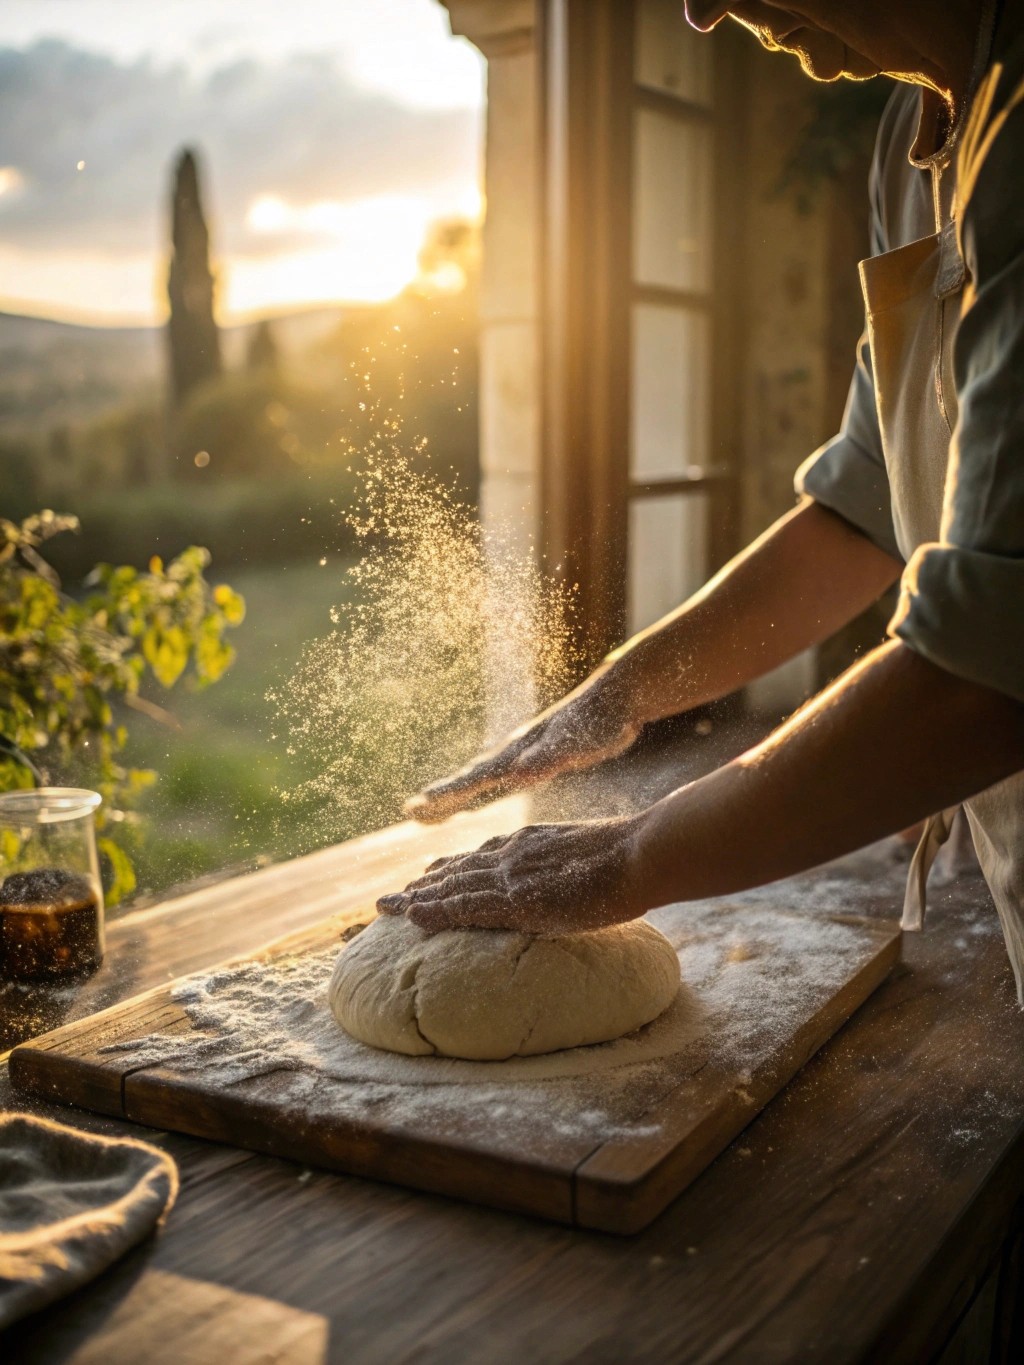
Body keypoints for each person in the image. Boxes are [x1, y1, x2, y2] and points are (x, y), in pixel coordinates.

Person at [379, 0, 1024, 999]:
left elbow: (986, 672)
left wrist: (628, 857)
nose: (701, 9)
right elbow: (863, 504)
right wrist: (620, 692)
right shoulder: (909, 136)